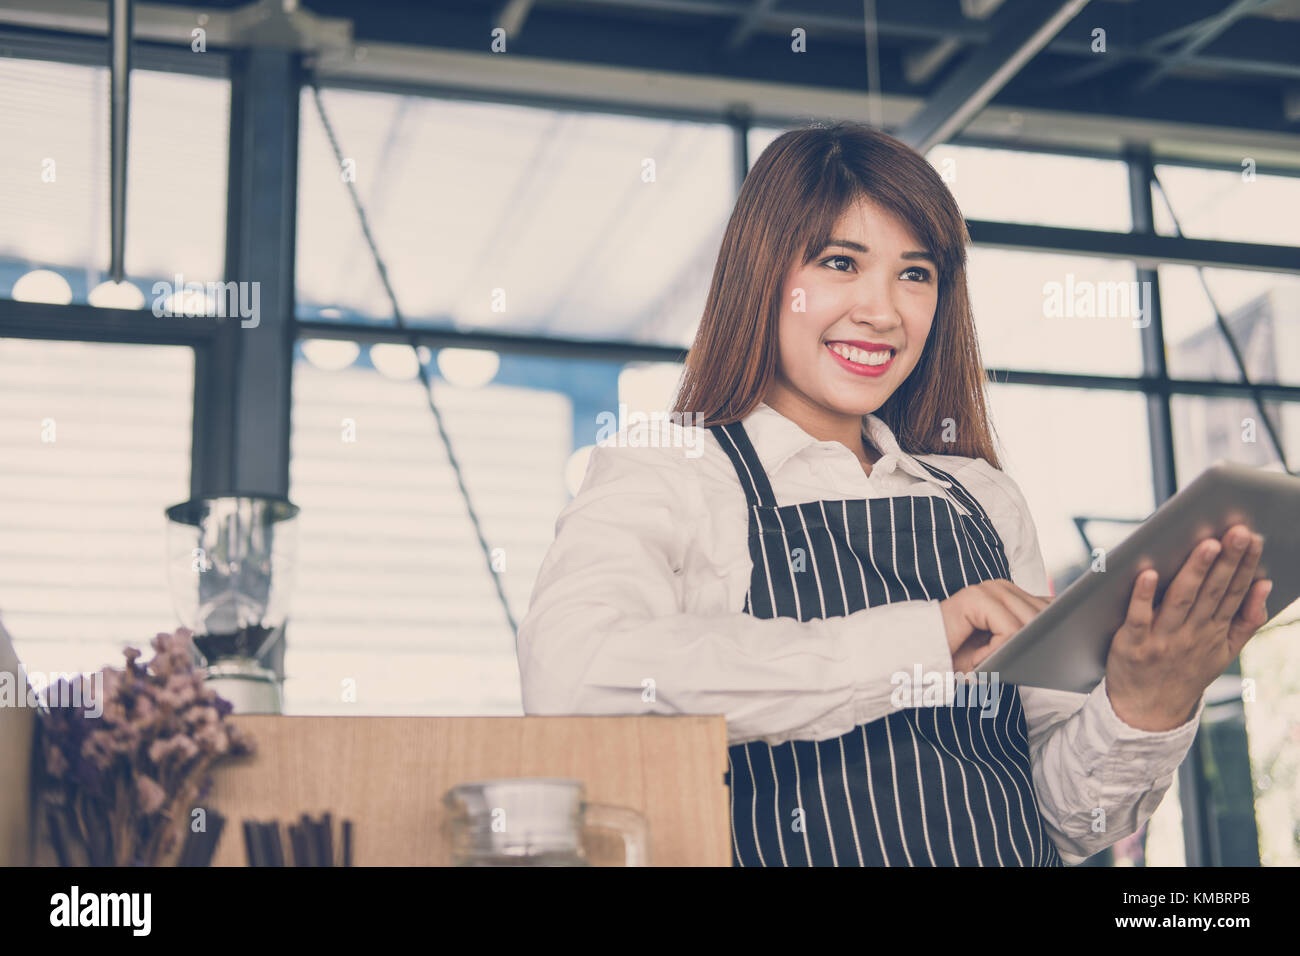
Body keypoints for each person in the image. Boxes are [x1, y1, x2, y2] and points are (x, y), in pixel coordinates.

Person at [517, 122, 1273, 866]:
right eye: (841, 262)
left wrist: (1147, 702)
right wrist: (925, 639)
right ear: (762, 274)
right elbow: (574, 674)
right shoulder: (672, 471)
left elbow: (1060, 819)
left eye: (915, 274)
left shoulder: (980, 498)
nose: (883, 310)